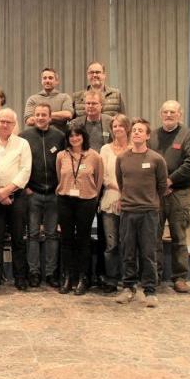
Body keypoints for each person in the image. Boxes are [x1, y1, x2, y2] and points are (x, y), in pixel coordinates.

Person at [115, 118, 168, 308]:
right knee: (128, 252)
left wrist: (150, 201)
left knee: (148, 253)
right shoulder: (122, 158)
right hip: (128, 212)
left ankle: (150, 291)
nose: (136, 133)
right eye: (134, 130)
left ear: (147, 135)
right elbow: (121, 183)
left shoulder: (156, 159)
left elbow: (162, 186)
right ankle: (128, 287)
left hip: (149, 213)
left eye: (140, 131)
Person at [149, 100, 190, 293]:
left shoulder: (188, 135)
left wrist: (169, 181)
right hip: (157, 194)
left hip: (179, 193)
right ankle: (155, 275)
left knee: (179, 236)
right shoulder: (152, 136)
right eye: (165, 112)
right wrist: (160, 185)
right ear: (160, 114)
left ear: (180, 114)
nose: (168, 115)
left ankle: (180, 278)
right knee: (154, 236)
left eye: (172, 112)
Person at [68, 88, 113, 284]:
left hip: (104, 184)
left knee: (104, 233)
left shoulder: (110, 122)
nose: (91, 106)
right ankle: (78, 274)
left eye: (94, 103)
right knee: (80, 233)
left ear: (101, 105)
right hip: (81, 185)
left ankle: (102, 274)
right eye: (87, 103)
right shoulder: (76, 123)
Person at [19, 104, 65, 288]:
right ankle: (34, 272)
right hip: (33, 193)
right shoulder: (24, 137)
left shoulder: (60, 137)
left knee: (53, 235)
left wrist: (60, 187)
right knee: (33, 234)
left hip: (54, 194)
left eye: (43, 114)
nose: (40, 117)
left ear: (50, 116)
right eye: (37, 114)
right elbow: (20, 163)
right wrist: (26, 188)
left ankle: (51, 272)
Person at [0, 108, 32, 290]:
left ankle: (20, 277)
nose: (4, 125)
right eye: (1, 121)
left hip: (17, 196)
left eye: (8, 122)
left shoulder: (23, 144)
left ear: (14, 125)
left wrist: (8, 190)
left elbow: (25, 170)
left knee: (18, 238)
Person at [56, 127, 104, 295]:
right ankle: (68, 277)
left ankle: (84, 278)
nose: (75, 138)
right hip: (65, 200)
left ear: (84, 137)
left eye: (78, 135)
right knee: (66, 239)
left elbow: (98, 180)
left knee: (83, 240)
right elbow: (59, 178)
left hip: (86, 201)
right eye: (71, 135)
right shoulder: (61, 155)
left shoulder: (95, 156)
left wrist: (93, 198)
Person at [99, 114, 131, 293]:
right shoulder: (105, 149)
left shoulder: (135, 148)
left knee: (128, 243)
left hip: (130, 201)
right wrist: (118, 190)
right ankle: (111, 279)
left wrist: (125, 195)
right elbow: (102, 176)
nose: (117, 129)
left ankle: (128, 279)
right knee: (112, 244)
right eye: (114, 126)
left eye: (120, 126)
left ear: (127, 128)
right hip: (109, 199)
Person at [24, 68, 74, 135]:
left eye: (50, 78)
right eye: (45, 78)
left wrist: (41, 117)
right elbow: (29, 121)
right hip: (37, 137)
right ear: (41, 81)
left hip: (60, 138)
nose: (47, 80)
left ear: (56, 81)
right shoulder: (33, 99)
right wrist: (57, 117)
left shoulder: (65, 97)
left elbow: (68, 115)